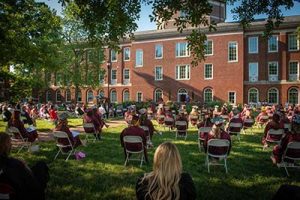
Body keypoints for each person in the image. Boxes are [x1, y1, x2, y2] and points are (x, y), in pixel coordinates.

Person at [0, 133, 49, 200]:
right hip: (24, 193)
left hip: (8, 189)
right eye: (9, 142)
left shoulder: (12, 163)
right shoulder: (14, 164)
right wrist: (25, 166)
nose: (11, 144)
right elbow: (31, 182)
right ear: (4, 146)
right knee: (41, 165)